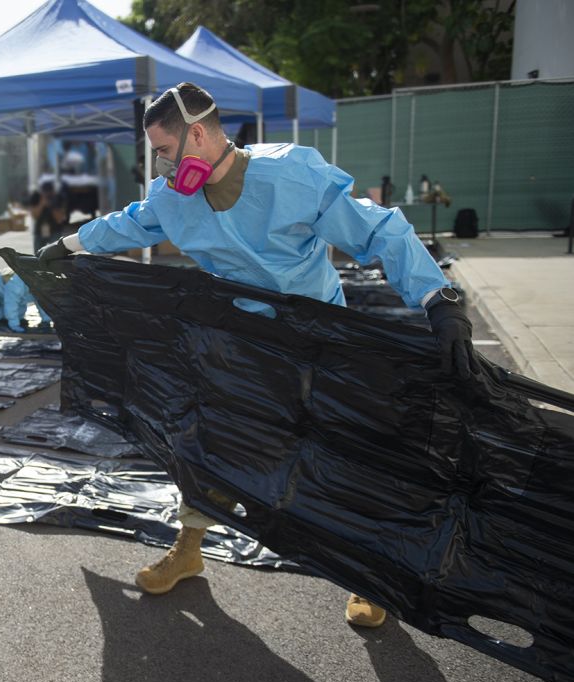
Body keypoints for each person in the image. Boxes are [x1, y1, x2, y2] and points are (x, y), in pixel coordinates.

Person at [37, 82, 479, 629]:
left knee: (341, 453)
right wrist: (68, 247)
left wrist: (439, 298)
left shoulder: (291, 176)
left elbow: (377, 230)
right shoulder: (173, 197)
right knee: (207, 438)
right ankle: (190, 546)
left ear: (198, 134)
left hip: (317, 342)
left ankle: (373, 575)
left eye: (166, 150)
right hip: (241, 342)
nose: (162, 164)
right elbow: (130, 222)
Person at [27, 181, 68, 254]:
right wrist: (42, 204)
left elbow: (60, 219)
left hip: (55, 230)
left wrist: (51, 206)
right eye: (45, 193)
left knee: (57, 254)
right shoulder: (36, 197)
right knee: (37, 254)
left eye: (49, 193)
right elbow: (34, 216)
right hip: (40, 230)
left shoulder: (58, 198)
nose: (47, 195)